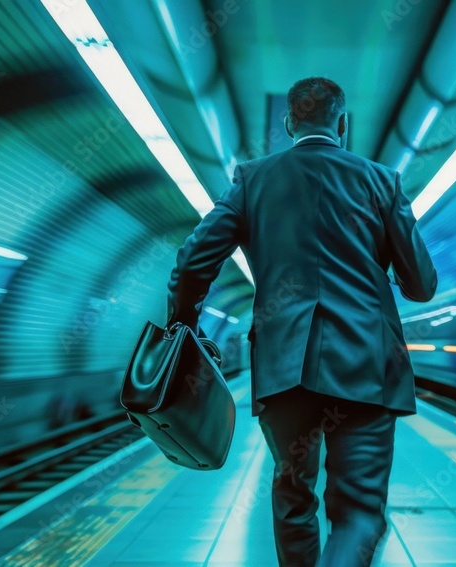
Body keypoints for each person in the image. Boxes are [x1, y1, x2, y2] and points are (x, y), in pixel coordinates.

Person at [167, 76, 437, 567]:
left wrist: (184, 323)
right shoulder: (381, 180)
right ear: (343, 124)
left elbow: (192, 262)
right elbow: (421, 285)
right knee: (359, 511)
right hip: (367, 366)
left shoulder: (253, 178)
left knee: (293, 496)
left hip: (283, 365)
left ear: (289, 123)